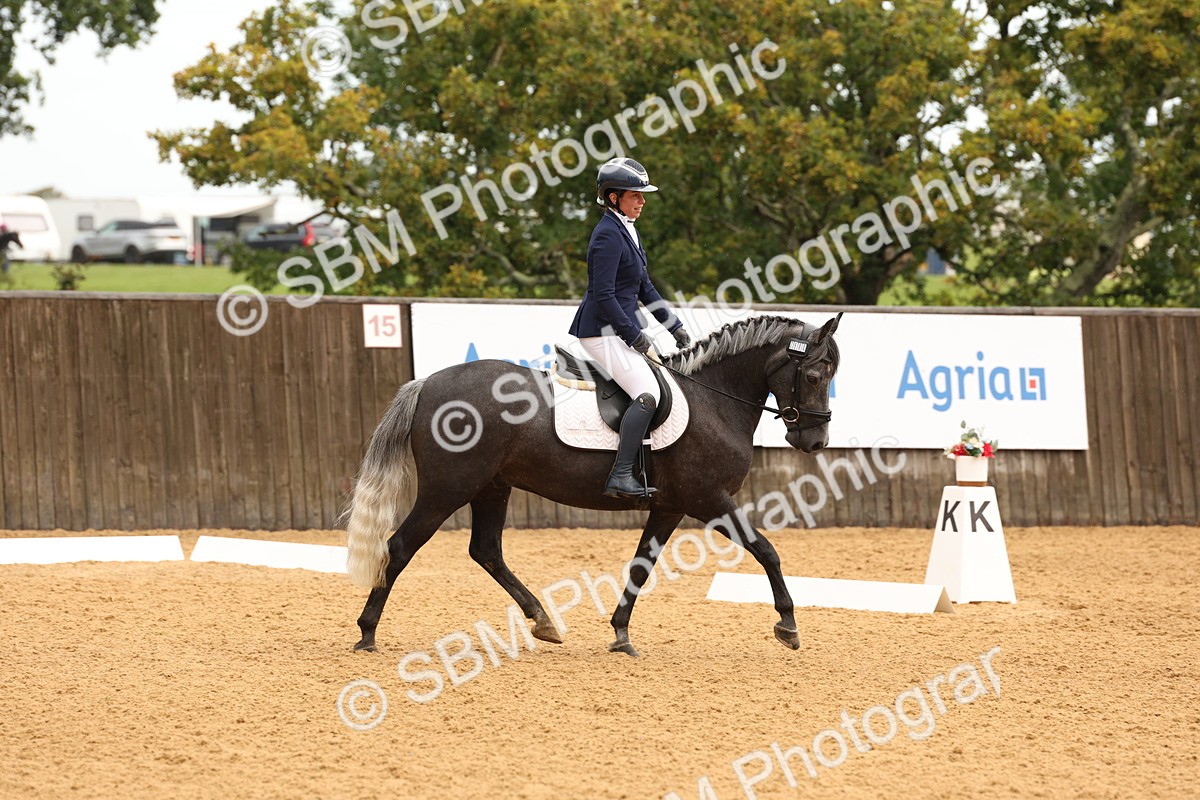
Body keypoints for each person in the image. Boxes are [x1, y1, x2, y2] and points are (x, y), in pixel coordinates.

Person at [568, 157, 691, 498]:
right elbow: (603, 295)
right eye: (635, 194)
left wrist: (674, 327)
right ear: (613, 197)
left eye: (642, 194)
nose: (642, 200)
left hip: (617, 328)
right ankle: (621, 475)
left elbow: (644, 286)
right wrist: (635, 336)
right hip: (600, 331)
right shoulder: (607, 235)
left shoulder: (628, 230)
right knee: (647, 395)